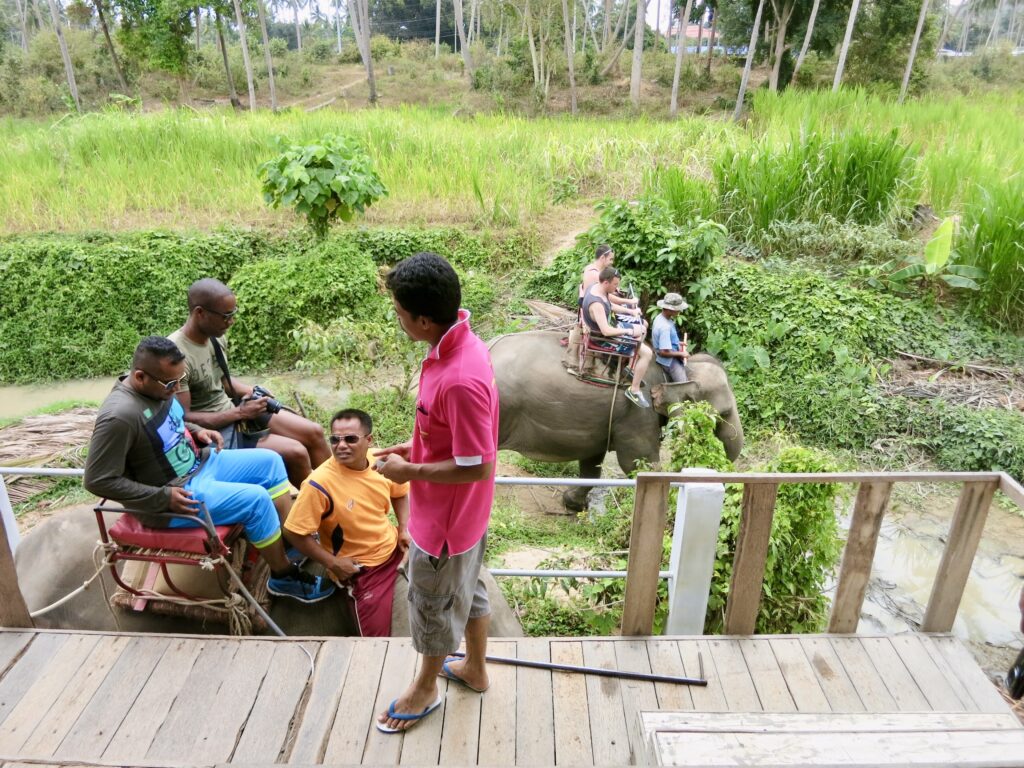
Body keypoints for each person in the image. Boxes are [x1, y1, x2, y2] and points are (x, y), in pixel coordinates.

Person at [82, 336, 335, 604]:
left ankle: (288, 539)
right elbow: (97, 479)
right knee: (256, 500)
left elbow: (173, 423)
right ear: (141, 377)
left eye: (179, 381)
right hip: (175, 495)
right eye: (170, 384)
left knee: (269, 461)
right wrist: (163, 497)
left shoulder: (158, 388)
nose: (176, 388)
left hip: (200, 463)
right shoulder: (119, 417)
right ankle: (283, 576)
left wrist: (198, 431)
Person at [373, 252, 499, 734]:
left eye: (401, 314)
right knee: (471, 587)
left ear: (423, 319)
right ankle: (475, 668)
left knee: (429, 603)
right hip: (467, 518)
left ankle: (425, 687)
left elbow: (476, 464)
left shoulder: (460, 378)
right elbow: (459, 437)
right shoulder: (461, 345)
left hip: (443, 523)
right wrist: (418, 445)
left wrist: (410, 470)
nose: (399, 321)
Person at [168, 278, 330, 488]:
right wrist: (241, 414)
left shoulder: (215, 337)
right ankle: (321, 513)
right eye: (226, 316)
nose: (231, 322)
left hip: (236, 411)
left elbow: (222, 382)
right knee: (296, 452)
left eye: (233, 314)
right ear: (200, 313)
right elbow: (183, 418)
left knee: (314, 432)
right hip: (218, 433)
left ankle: (342, 495)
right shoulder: (175, 356)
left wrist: (252, 391)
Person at [282, 408, 410, 636]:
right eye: (335, 439)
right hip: (363, 571)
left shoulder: (381, 463)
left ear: (368, 441)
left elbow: (399, 492)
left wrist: (404, 528)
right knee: (376, 642)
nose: (341, 446)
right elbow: (294, 532)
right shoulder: (318, 484)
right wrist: (333, 563)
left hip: (394, 549)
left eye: (350, 439)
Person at [582, 266, 654, 408]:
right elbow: (607, 331)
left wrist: (629, 310)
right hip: (604, 338)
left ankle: (631, 365)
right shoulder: (596, 303)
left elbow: (610, 304)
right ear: (606, 283)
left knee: (643, 325)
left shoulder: (597, 287)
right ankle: (634, 389)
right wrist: (630, 332)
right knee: (647, 353)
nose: (617, 287)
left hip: (611, 322)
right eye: (615, 284)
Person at [578, 244, 640, 317]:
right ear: (603, 257)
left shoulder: (590, 267)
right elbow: (607, 297)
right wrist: (629, 301)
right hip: (598, 312)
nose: (612, 262)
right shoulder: (595, 274)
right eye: (611, 259)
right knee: (633, 311)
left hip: (603, 306)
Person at [651, 292, 690, 383]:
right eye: (677, 309)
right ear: (669, 310)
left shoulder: (660, 317)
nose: (679, 311)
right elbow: (663, 352)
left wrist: (678, 343)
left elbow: (666, 340)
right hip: (667, 361)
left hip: (669, 349)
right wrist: (681, 354)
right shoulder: (665, 327)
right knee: (683, 384)